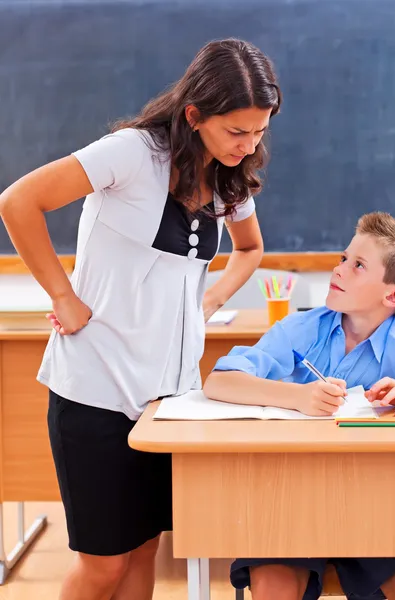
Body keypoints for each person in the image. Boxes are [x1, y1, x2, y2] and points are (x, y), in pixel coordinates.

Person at [0, 38, 281, 600]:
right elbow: (18, 202)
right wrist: (62, 295)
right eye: (236, 131)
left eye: (259, 132)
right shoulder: (131, 153)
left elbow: (250, 249)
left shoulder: (231, 177)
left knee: (145, 547)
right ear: (195, 114)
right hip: (95, 388)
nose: (248, 145)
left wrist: (207, 301)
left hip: (168, 397)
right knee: (103, 565)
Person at [204, 212, 395, 600]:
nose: (339, 270)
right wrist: (298, 397)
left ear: (393, 296)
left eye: (358, 266)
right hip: (292, 501)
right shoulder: (298, 330)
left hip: (380, 507)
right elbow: (219, 380)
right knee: (274, 588)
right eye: (343, 258)